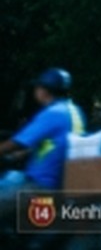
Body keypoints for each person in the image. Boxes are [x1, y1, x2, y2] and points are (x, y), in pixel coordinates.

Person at [0, 69, 85, 224]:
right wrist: (21, 155)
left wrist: (5, 150)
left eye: (37, 87)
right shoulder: (74, 111)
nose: (35, 90)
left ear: (44, 90)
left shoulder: (52, 113)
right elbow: (55, 142)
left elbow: (17, 142)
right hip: (64, 182)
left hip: (40, 185)